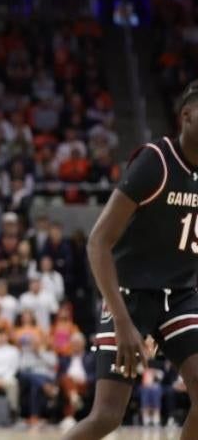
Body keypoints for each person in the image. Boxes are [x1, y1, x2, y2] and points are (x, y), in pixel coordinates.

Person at [66, 80, 198, 439]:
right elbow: (98, 242)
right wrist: (124, 322)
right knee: (107, 417)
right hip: (130, 293)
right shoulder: (155, 161)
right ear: (186, 115)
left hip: (181, 295)